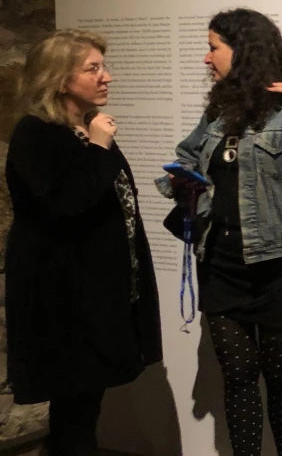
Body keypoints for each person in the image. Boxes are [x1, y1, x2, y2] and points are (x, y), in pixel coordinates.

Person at [156, 8, 282, 456]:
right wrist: (181, 180)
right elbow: (187, 156)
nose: (206, 59)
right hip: (222, 263)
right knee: (238, 376)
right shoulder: (221, 110)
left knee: (280, 378)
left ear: (241, 51)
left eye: (213, 48)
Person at [4, 30, 163, 455]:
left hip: (96, 294)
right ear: (59, 79)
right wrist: (98, 147)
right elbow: (64, 206)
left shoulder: (82, 130)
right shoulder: (36, 134)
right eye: (93, 69)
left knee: (85, 406)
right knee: (75, 411)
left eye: (103, 67)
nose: (106, 77)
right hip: (64, 301)